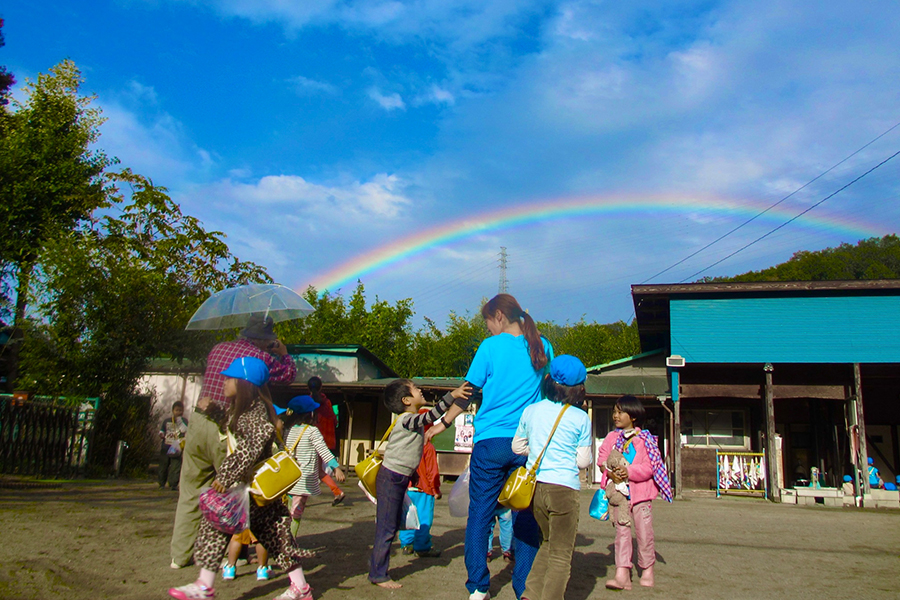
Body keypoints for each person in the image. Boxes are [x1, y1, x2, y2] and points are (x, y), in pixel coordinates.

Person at [426, 293, 553, 600]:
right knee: (525, 514)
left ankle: (479, 587)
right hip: (527, 444)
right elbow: (550, 391)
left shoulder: (489, 347)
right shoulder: (542, 345)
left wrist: (440, 425)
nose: (488, 330)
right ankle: (523, 587)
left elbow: (466, 393)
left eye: (487, 322)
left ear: (498, 315)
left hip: (491, 442)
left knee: (480, 514)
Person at [168, 356, 314, 600]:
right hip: (254, 491)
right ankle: (300, 587)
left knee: (222, 525)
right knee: (275, 538)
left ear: (244, 383)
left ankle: (205, 585)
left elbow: (250, 446)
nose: (224, 381)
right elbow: (235, 429)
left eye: (230, 378)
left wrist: (225, 476)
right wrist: (214, 411)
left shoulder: (255, 413)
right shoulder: (247, 410)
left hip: (252, 490)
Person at [170, 316, 297, 569]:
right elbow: (288, 375)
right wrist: (283, 353)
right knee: (235, 493)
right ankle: (234, 555)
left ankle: (179, 555)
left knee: (191, 489)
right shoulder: (261, 358)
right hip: (228, 426)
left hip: (198, 419)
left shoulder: (218, 348)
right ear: (265, 340)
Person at [369, 378, 472, 589]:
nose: (420, 390)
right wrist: (452, 395)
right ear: (406, 400)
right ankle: (378, 574)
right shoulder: (407, 419)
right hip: (391, 478)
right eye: (415, 389)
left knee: (391, 525)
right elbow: (433, 415)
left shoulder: (409, 419)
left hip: (399, 477)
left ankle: (378, 567)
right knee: (386, 528)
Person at [512, 355, 592, 600]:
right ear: (579, 389)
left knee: (547, 542)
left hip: (537, 489)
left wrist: (535, 451)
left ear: (548, 380)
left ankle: (530, 593)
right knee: (561, 553)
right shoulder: (581, 418)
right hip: (564, 489)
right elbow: (583, 461)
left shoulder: (532, 410)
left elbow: (517, 447)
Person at [597, 395, 673, 590]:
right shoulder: (611, 437)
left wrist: (629, 471)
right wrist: (610, 470)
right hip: (619, 496)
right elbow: (602, 458)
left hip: (641, 495)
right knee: (621, 532)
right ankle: (622, 572)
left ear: (633, 416)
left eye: (620, 412)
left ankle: (647, 569)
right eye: (615, 411)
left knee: (644, 532)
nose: (616, 415)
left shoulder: (645, 439)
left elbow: (650, 467)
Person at [282, 394, 346, 535]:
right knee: (295, 516)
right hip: (303, 480)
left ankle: (283, 542)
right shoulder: (312, 431)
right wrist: (336, 467)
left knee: (287, 512)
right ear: (310, 413)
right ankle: (289, 544)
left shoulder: (289, 429)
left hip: (289, 477)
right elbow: (323, 451)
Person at [399, 410, 443, 558]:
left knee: (408, 516)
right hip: (424, 489)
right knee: (424, 519)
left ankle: (406, 544)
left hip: (407, 487)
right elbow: (432, 472)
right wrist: (436, 489)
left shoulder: (407, 443)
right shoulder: (428, 447)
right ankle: (422, 546)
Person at [309, 376, 345, 506]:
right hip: (325, 438)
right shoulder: (327, 402)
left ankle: (289, 498)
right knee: (318, 471)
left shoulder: (308, 402)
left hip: (310, 439)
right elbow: (334, 421)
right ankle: (337, 491)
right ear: (321, 387)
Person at [159, 401, 189, 491]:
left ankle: (173, 484)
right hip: (166, 446)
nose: (178, 412)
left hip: (177, 447)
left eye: (180, 410)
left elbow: (184, 430)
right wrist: (161, 434)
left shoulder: (184, 421)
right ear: (173, 411)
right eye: (176, 410)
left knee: (176, 466)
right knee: (163, 465)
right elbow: (162, 430)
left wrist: (179, 421)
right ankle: (161, 483)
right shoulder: (166, 421)